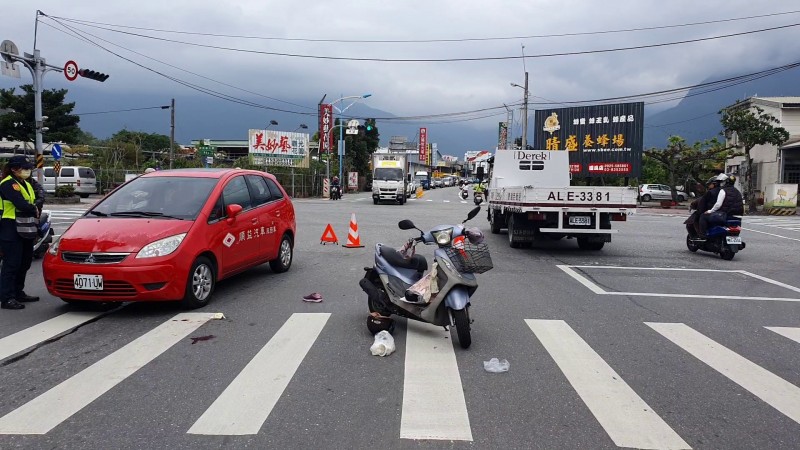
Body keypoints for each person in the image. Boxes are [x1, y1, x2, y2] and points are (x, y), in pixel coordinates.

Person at [0, 156, 41, 310]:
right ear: (13, 169)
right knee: (12, 264)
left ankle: (18, 292)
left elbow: (35, 199)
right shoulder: (8, 184)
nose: (27, 171)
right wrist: (34, 207)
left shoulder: (24, 183)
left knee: (24, 262)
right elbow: (22, 204)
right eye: (24, 168)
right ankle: (7, 297)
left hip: (26, 227)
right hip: (10, 226)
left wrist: (35, 206)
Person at [698, 173, 743, 239]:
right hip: (738, 217)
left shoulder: (723, 191)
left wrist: (710, 211)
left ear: (726, 182)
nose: (721, 183)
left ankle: (703, 235)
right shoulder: (738, 192)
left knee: (703, 216)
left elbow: (718, 204)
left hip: (725, 215)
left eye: (723, 182)